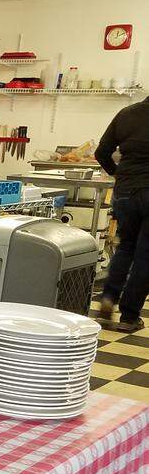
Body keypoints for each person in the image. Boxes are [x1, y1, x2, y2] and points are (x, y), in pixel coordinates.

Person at [97, 96, 149, 332]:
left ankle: (108, 298)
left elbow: (102, 152)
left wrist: (118, 174)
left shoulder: (127, 113)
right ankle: (129, 316)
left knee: (126, 246)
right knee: (145, 255)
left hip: (126, 189)